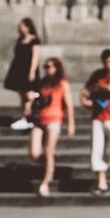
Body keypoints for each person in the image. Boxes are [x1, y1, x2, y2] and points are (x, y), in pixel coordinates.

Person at [81, 49, 110, 194]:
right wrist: (85, 102)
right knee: (97, 149)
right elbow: (84, 91)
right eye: (106, 62)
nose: (108, 64)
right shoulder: (97, 75)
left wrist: (98, 86)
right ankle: (101, 182)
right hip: (98, 116)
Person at [27, 56, 75, 197]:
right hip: (39, 120)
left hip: (54, 120)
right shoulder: (42, 83)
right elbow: (36, 99)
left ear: (56, 68)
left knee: (48, 151)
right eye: (45, 66)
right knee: (34, 153)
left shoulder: (62, 84)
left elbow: (69, 106)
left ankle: (45, 182)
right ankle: (50, 165)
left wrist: (71, 123)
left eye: (49, 66)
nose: (46, 69)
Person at [5, 17, 41, 129]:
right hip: (18, 69)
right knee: (21, 95)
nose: (20, 28)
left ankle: (28, 116)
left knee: (29, 95)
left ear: (28, 27)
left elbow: (35, 57)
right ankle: (24, 118)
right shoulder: (20, 39)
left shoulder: (34, 40)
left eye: (22, 26)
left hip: (28, 69)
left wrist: (32, 71)